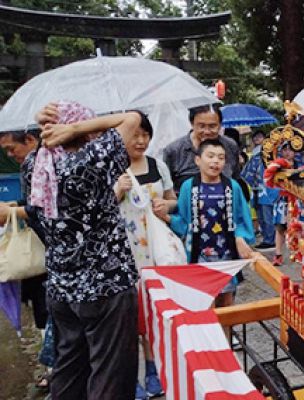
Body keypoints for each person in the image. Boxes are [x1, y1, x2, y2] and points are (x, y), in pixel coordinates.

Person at [0, 102, 145, 400]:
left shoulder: (33, 165)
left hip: (62, 289)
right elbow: (133, 118)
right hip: (107, 287)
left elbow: (40, 212)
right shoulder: (91, 159)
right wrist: (77, 128)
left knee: (70, 369)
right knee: (110, 374)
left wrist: (49, 131)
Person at [110, 111, 174, 399]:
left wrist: (166, 206)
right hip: (124, 253)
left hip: (156, 251)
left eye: (144, 134)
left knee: (153, 311)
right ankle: (130, 376)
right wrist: (116, 193)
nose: (140, 140)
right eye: (134, 135)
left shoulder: (157, 166)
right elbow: (97, 212)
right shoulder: (112, 168)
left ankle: (153, 368)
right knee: (127, 316)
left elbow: (173, 200)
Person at [161, 138, 255, 308]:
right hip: (199, 255)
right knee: (205, 304)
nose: (215, 161)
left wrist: (240, 237)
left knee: (226, 303)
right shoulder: (188, 187)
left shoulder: (232, 186)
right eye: (210, 156)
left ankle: (225, 335)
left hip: (226, 256)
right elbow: (183, 222)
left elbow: (243, 219)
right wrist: (166, 218)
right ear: (198, 160)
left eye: (220, 157)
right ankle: (210, 335)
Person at [0, 129, 52, 391]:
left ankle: (57, 370)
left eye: (12, 148)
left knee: (49, 311)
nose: (11, 154)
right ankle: (52, 366)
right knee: (40, 309)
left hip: (51, 253)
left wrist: (13, 211)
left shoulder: (47, 163)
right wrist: (14, 205)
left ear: (30, 141)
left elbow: (44, 207)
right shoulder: (30, 166)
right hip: (38, 254)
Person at [162, 104, 242, 189]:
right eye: (201, 126)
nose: (207, 131)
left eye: (212, 126)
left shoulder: (230, 146)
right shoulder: (174, 150)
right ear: (192, 124)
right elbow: (166, 189)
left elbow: (235, 179)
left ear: (220, 125)